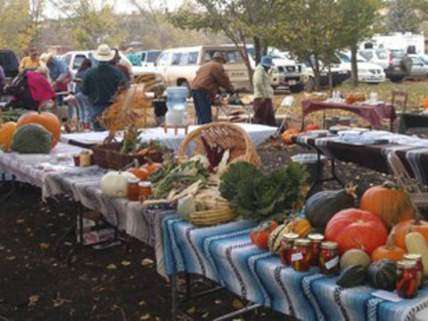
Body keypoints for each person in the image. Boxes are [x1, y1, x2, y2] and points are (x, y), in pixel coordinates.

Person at [81, 44, 129, 131]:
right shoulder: (117, 72)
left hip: (96, 110)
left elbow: (84, 91)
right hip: (114, 109)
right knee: (114, 137)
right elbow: (125, 88)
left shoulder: (89, 73)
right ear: (110, 57)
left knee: (98, 138)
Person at [191, 52, 234, 124]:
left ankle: (200, 131)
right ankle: (206, 132)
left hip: (194, 90)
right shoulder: (216, 66)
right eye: (222, 62)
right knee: (205, 116)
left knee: (200, 115)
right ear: (220, 60)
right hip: (203, 91)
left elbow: (208, 80)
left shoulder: (204, 66)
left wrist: (217, 90)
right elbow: (223, 80)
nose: (222, 64)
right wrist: (231, 89)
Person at [252, 55, 276, 126]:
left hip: (267, 97)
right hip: (261, 97)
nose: (269, 67)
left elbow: (267, 83)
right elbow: (258, 82)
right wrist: (263, 95)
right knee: (260, 119)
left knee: (270, 118)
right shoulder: (259, 70)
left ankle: (271, 134)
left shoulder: (264, 71)